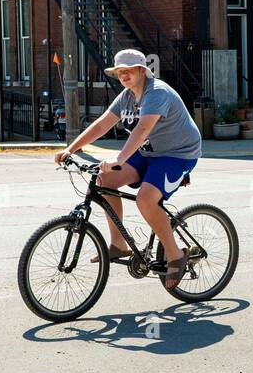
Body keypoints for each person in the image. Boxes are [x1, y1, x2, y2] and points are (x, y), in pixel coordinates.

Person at [55, 49, 203, 291]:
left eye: (128, 70)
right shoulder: (126, 96)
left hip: (176, 154)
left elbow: (142, 130)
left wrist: (119, 159)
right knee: (104, 180)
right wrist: (71, 149)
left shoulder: (156, 93)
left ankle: (176, 254)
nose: (123, 75)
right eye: (119, 71)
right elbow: (103, 123)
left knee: (145, 200)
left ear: (142, 71)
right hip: (148, 152)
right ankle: (118, 244)